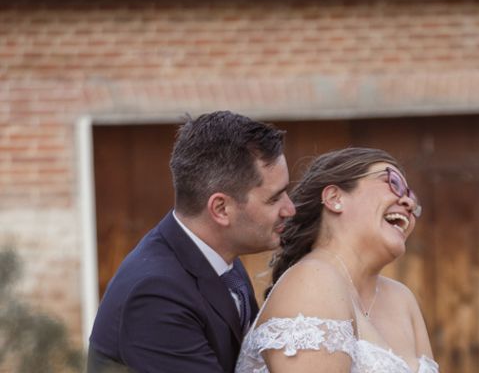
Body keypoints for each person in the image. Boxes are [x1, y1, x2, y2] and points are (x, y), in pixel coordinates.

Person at [87, 111, 295, 372]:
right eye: (274, 199)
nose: (290, 208)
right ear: (221, 209)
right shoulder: (156, 296)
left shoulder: (221, 259)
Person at [235, 147, 439, 373]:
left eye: (411, 198)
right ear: (334, 198)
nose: (409, 204)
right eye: (393, 183)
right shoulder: (312, 281)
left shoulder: (402, 299)